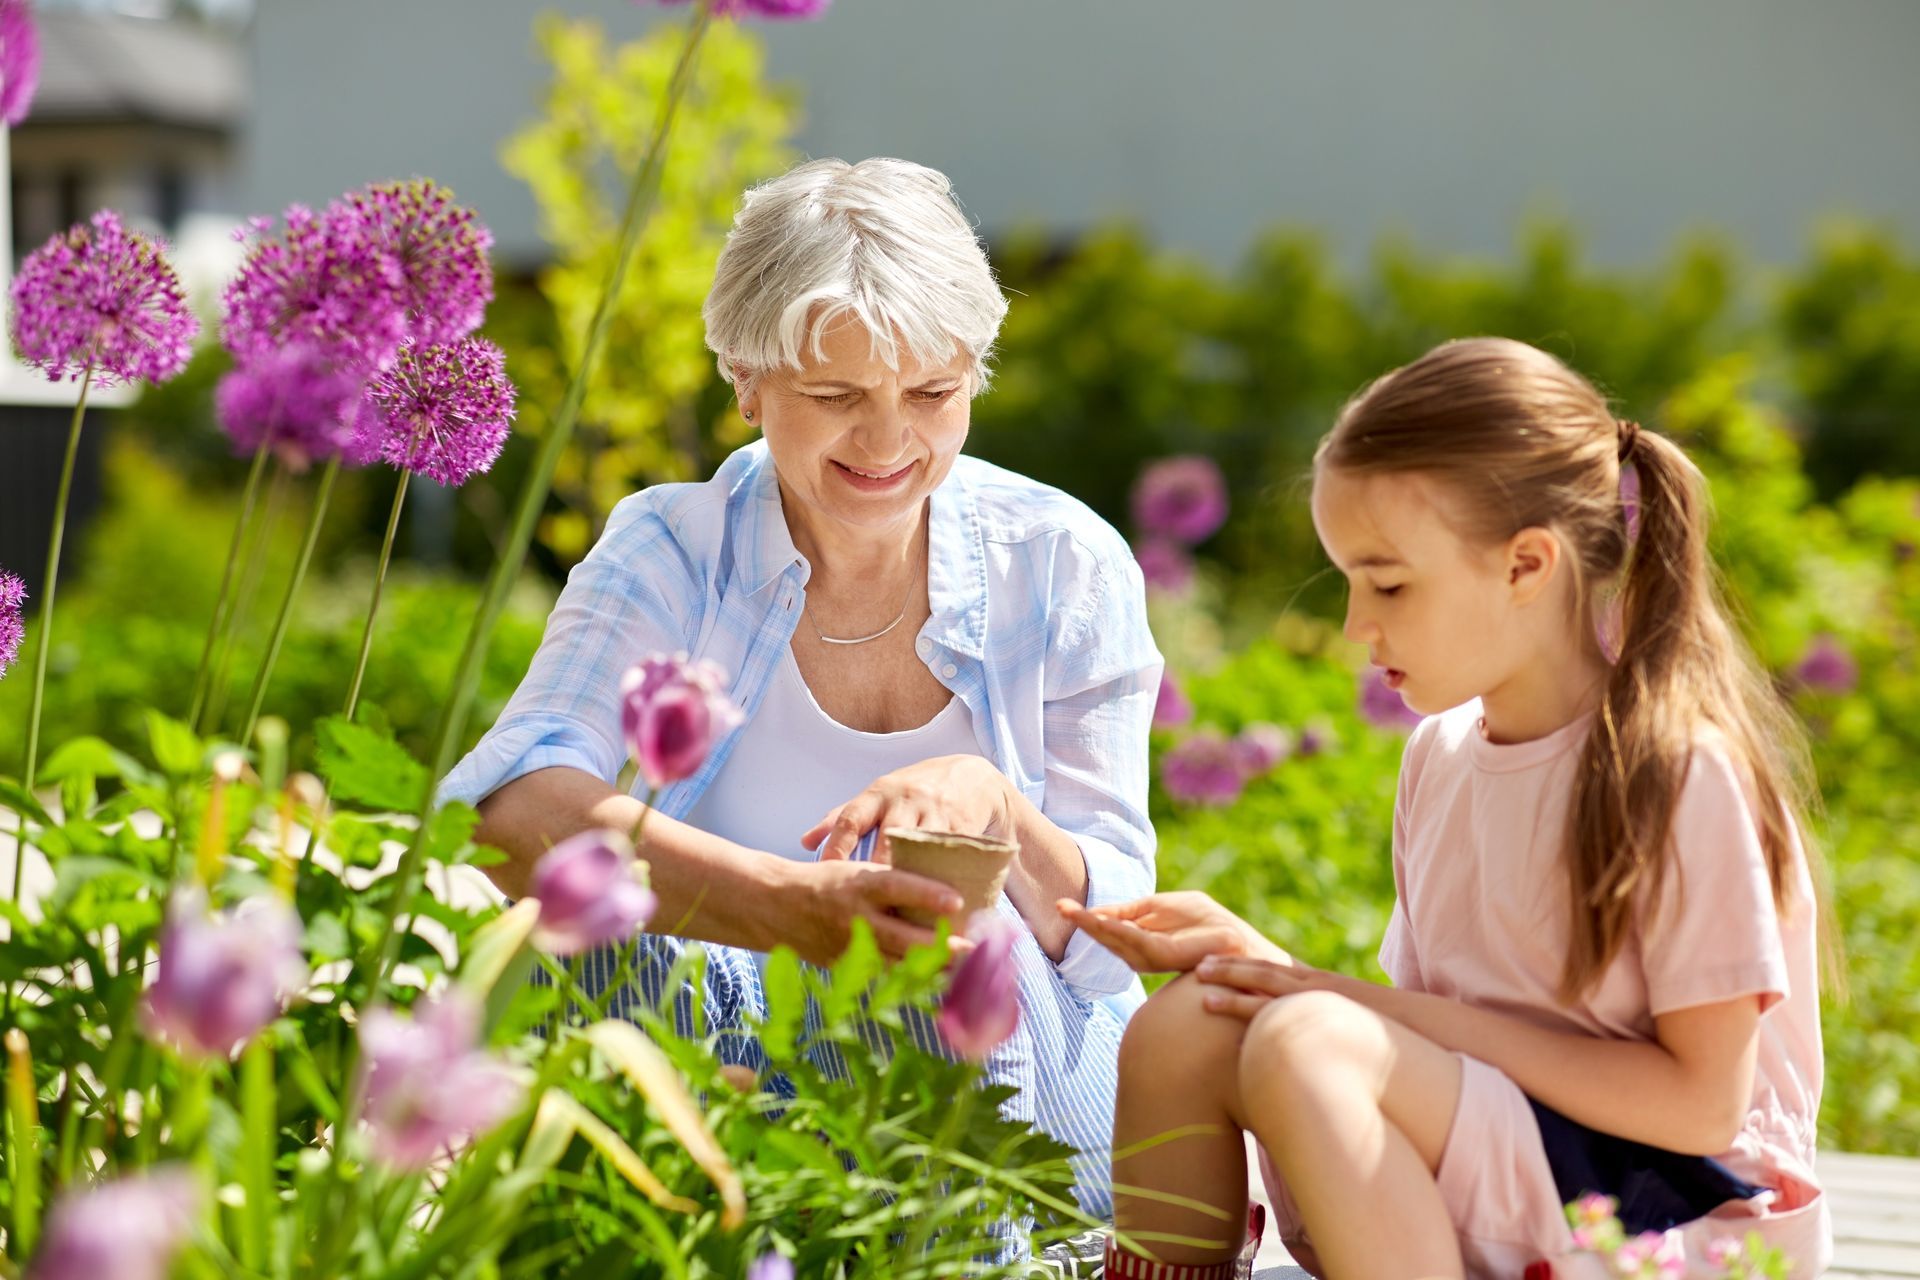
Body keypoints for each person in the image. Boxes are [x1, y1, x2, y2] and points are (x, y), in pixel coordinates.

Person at [440, 157, 1159, 1217]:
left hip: (1020, 1082)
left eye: (932, 391)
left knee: (933, 944)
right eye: (836, 395)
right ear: (745, 378)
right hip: (732, 1047)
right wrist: (796, 911)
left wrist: (994, 808)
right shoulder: (671, 548)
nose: (888, 439)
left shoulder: (1059, 560)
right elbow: (512, 816)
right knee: (571, 941)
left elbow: (1115, 938)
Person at [1061, 338, 1833, 1279]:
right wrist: (1270, 973)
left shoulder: (1673, 771)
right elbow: (1416, 1031)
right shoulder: (1441, 754)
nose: (1355, 625)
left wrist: (1330, 1005)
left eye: (1386, 582)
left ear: (1526, 566)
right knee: (1189, 1023)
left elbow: (1702, 1106)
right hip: (1515, 1157)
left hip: (1672, 1213)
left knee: (1308, 1040)